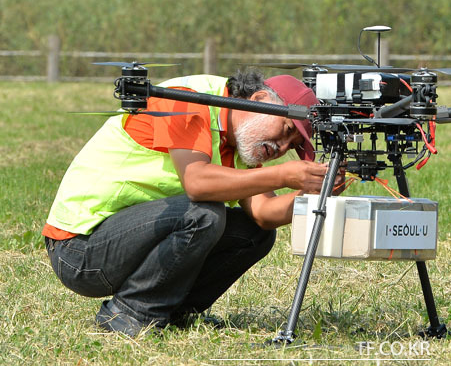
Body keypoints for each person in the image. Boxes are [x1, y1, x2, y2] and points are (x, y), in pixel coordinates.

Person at [43, 70, 341, 336]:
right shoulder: (190, 99)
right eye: (287, 131)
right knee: (204, 213)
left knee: (255, 234)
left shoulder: (239, 138)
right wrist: (283, 175)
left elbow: (264, 214)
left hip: (122, 242)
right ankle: (129, 314)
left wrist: (316, 193)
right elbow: (197, 182)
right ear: (260, 99)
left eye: (292, 147)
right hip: (78, 250)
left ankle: (173, 312)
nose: (282, 148)